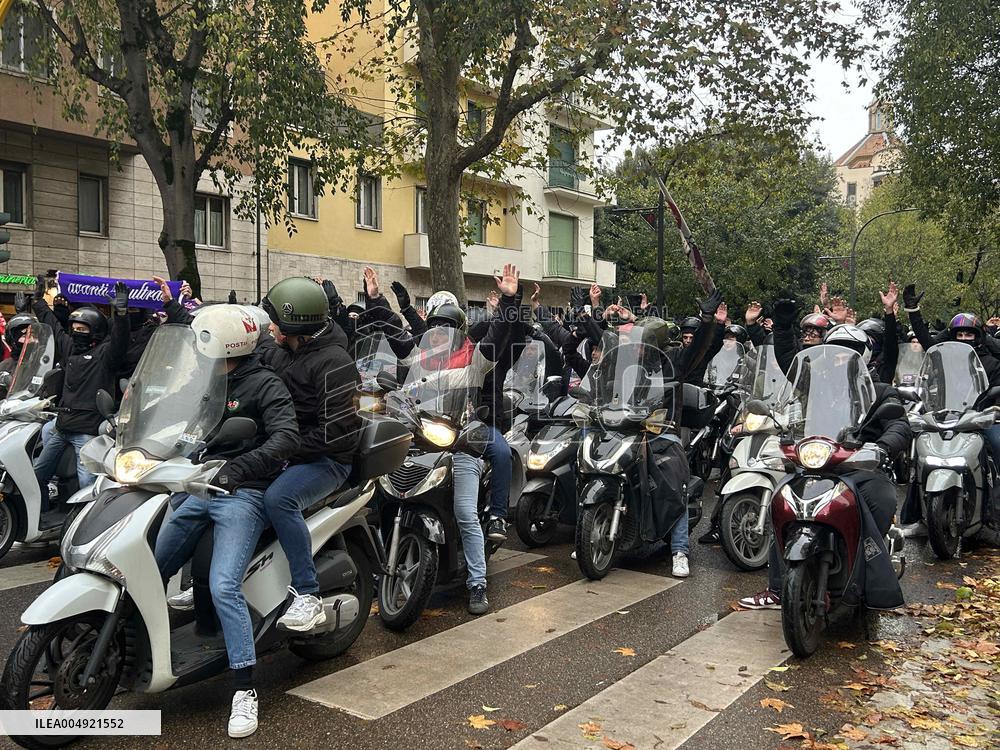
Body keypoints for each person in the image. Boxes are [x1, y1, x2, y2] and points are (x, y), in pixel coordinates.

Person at [153, 304, 299, 738]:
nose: (198, 354)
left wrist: (239, 469)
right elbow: (181, 418)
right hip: (199, 484)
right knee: (150, 563)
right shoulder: (209, 378)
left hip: (242, 493)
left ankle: (243, 688)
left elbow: (286, 437)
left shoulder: (264, 384)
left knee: (223, 585)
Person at [740, 324, 910, 610]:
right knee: (782, 504)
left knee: (882, 498)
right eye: (837, 353)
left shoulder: (880, 390)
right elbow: (788, 372)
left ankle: (870, 571)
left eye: (850, 352)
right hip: (817, 461)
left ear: (863, 355)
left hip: (860, 466)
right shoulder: (815, 386)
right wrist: (783, 431)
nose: (841, 358)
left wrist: (882, 447)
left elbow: (898, 424)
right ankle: (778, 588)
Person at [257, 277, 362, 631]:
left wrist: (282, 448)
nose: (269, 326)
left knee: (279, 499)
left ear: (292, 324)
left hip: (327, 461)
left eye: (274, 321)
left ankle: (307, 594)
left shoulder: (335, 362)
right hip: (287, 450)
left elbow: (338, 431)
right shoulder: (283, 351)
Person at [31, 277, 129, 525]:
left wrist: (121, 313)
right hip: (62, 427)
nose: (76, 332)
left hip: (84, 433)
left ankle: (87, 526)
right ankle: (39, 516)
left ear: (94, 331)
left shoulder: (104, 356)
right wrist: (38, 302)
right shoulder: (69, 348)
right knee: (37, 475)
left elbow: (120, 340)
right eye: (74, 328)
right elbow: (53, 325)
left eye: (82, 329)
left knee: (88, 486)